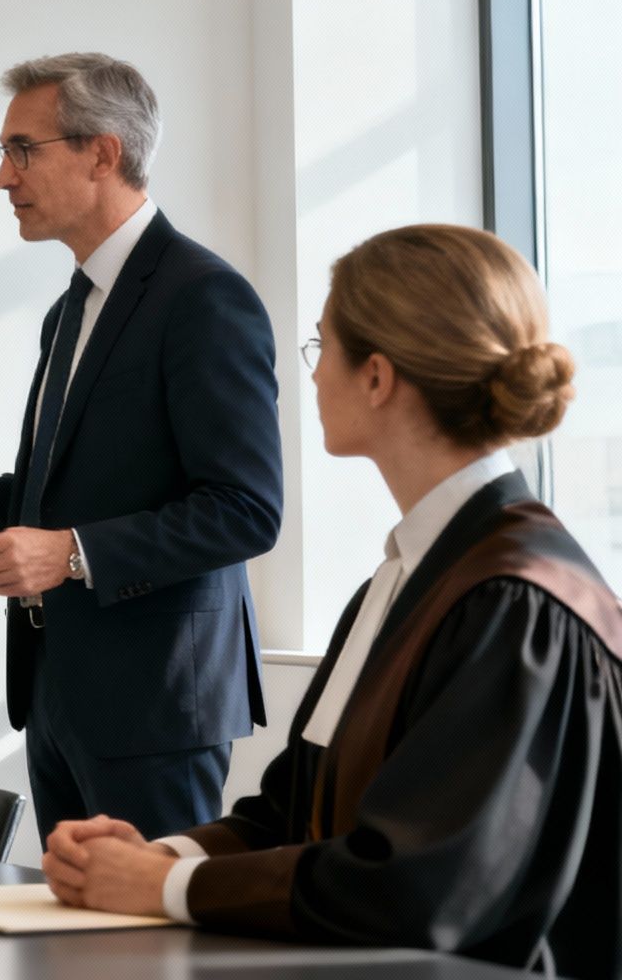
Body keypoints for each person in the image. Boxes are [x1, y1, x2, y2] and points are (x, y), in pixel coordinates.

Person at [43, 224, 619, 978]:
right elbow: (292, 810)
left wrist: (165, 888)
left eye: (321, 347)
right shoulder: (403, 578)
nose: (309, 376)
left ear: (376, 378)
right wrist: (162, 855)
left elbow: (414, 888)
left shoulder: (514, 602)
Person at [0, 53, 283, 841]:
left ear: (102, 153)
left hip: (157, 705)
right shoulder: (71, 308)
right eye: (3, 153)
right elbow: (65, 498)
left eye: (22, 150)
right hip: (56, 696)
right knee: (69, 919)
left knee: (144, 923)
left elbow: (244, 510)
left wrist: (70, 554)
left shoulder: (203, 297)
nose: (3, 177)